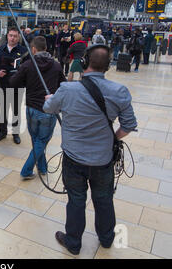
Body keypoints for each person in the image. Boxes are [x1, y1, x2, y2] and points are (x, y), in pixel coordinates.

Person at [43, 44, 137, 256]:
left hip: (73, 159)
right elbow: (129, 124)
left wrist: (51, 99)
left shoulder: (67, 89)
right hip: (103, 160)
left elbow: (48, 108)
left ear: (84, 63)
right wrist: (113, 137)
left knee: (76, 200)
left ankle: (73, 242)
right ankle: (106, 238)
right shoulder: (119, 91)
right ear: (108, 67)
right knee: (104, 199)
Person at [10, 36, 65, 179]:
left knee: (37, 140)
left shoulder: (27, 65)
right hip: (48, 110)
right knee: (40, 140)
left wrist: (21, 76)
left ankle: (40, 168)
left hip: (32, 109)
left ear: (33, 49)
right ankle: (31, 170)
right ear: (46, 48)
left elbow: (13, 83)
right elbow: (63, 86)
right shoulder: (57, 66)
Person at [0, 27, 27, 144]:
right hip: (3, 84)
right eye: (11, 35)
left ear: (18, 37)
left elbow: (28, 67)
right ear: (7, 36)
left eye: (15, 36)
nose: (12, 38)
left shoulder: (24, 51)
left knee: (16, 111)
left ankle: (15, 133)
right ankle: (2, 132)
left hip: (17, 86)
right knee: (3, 110)